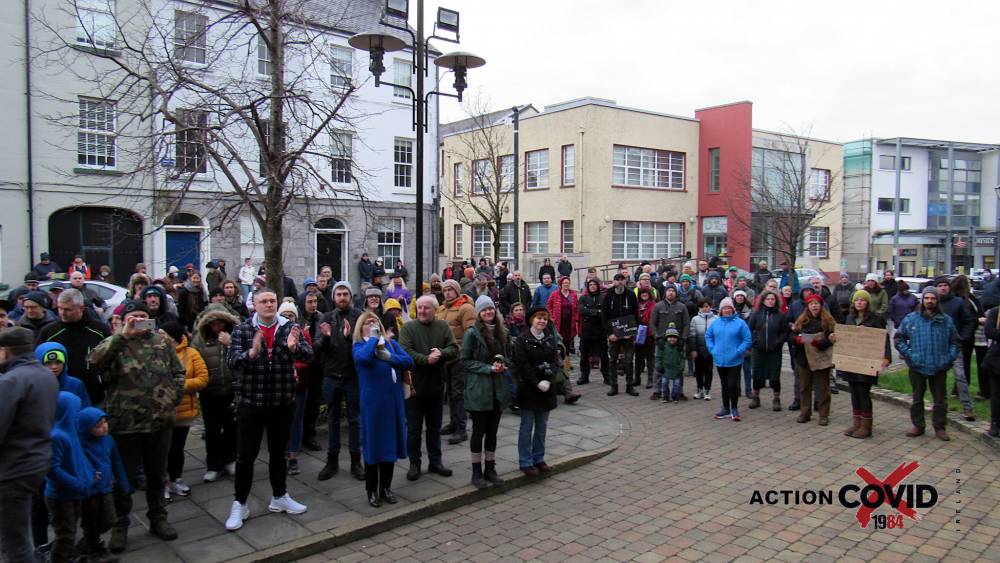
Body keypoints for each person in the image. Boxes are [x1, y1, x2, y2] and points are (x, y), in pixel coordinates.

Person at [88, 301, 185, 551]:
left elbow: (178, 372)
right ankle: (120, 525)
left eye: (143, 316)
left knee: (157, 475)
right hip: (126, 425)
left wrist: (172, 398)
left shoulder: (161, 342)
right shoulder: (115, 343)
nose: (139, 320)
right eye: (133, 316)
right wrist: (122, 336)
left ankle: (158, 518)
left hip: (159, 423)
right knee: (123, 480)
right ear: (123, 319)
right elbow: (94, 362)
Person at [225, 288, 312, 531]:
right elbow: (231, 362)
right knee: (246, 456)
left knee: (278, 453)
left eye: (273, 300)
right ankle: (240, 503)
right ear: (254, 304)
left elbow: (309, 355)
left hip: (281, 402)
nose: (269, 305)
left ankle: (280, 496)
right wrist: (251, 353)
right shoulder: (243, 329)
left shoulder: (289, 327)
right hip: (251, 403)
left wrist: (295, 348)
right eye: (264, 301)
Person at [0, 327, 59, 563]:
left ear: (6, 351)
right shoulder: (45, 374)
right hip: (36, 460)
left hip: (13, 468)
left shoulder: (12, 380)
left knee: (14, 542)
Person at [352, 312, 412, 507]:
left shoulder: (391, 345)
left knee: (389, 447)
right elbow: (363, 359)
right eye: (368, 323)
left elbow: (408, 361)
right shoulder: (360, 346)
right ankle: (371, 491)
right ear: (361, 329)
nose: (372, 325)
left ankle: (386, 488)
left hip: (392, 404)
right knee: (373, 448)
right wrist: (373, 340)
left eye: (375, 322)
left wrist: (388, 356)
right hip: (373, 406)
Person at [399, 295, 458, 481]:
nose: (423, 311)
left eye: (427, 308)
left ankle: (435, 461)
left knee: (434, 427)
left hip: (435, 386)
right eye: (420, 307)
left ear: (435, 310)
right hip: (414, 388)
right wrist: (426, 359)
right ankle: (414, 463)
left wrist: (441, 353)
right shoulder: (409, 328)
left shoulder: (442, 327)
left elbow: (454, 348)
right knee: (414, 429)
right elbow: (405, 350)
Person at [895, 287, 960, 441]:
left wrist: (948, 358)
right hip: (917, 365)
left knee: (940, 400)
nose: (930, 301)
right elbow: (899, 338)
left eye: (933, 298)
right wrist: (909, 354)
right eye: (927, 298)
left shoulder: (946, 320)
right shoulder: (911, 319)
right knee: (917, 398)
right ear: (922, 300)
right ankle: (918, 425)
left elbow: (956, 342)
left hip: (939, 366)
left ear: (937, 301)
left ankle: (940, 427)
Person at [460, 296, 512, 489]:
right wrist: (487, 368)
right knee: (478, 431)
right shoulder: (472, 333)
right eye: (484, 310)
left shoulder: (502, 331)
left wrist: (503, 365)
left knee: (492, 432)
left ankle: (490, 468)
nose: (488, 313)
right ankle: (476, 471)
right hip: (479, 390)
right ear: (479, 314)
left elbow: (508, 357)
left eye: (490, 309)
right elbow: (464, 360)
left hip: (497, 390)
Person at [316, 282, 365, 481]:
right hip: (331, 376)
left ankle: (356, 460)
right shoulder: (326, 318)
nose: (342, 297)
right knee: (333, 420)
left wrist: (348, 338)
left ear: (350, 296)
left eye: (345, 294)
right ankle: (332, 461)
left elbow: (364, 345)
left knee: (354, 420)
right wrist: (326, 338)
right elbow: (316, 348)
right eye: (339, 294)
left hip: (352, 376)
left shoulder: (359, 316)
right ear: (334, 297)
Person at [190, 304, 240, 483]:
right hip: (209, 391)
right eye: (213, 323)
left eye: (220, 322)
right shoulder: (200, 339)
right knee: (212, 429)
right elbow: (194, 361)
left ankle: (230, 459)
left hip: (231, 389)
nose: (217, 326)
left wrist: (230, 343)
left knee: (231, 427)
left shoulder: (235, 335)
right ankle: (213, 464)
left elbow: (243, 356)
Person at [36, 289, 112, 405]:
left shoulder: (99, 330)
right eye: (60, 308)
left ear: (81, 308)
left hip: (93, 394)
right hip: (57, 393)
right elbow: (37, 361)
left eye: (68, 310)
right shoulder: (49, 331)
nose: (62, 313)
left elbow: (110, 360)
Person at [44, 391, 95, 563]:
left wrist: (89, 475)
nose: (78, 414)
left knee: (71, 529)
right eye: (75, 410)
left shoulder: (72, 432)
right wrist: (76, 483)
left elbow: (79, 458)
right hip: (61, 495)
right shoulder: (57, 436)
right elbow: (52, 469)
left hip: (74, 492)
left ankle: (71, 556)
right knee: (64, 534)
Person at [160, 321, 208, 502]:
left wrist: (177, 385)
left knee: (177, 447)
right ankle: (162, 482)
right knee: (162, 448)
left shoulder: (191, 353)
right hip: (162, 411)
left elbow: (202, 379)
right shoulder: (156, 353)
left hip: (184, 411)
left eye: (164, 333)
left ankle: (176, 478)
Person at [77, 407, 129, 561]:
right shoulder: (81, 443)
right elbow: (78, 464)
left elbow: (117, 462)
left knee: (109, 519)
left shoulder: (108, 440)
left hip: (106, 488)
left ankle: (87, 542)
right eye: (98, 425)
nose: (104, 427)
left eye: (105, 422)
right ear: (87, 429)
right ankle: (93, 547)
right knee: (90, 521)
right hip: (89, 492)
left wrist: (123, 483)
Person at [839, 290, 891, 439]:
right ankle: (856, 423)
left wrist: (886, 357)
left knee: (863, 392)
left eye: (862, 300)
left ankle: (866, 426)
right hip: (852, 361)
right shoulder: (850, 318)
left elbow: (884, 338)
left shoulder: (875, 319)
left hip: (867, 362)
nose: (859, 303)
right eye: (857, 300)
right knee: (854, 392)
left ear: (867, 303)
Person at [513, 307, 558, 476]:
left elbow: (555, 361)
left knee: (542, 426)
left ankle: (539, 458)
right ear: (531, 319)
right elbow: (522, 364)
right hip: (529, 389)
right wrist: (537, 382)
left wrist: (548, 379)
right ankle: (525, 461)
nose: (542, 321)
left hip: (546, 388)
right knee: (526, 426)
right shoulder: (522, 339)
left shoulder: (549, 337)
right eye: (539, 318)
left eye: (545, 318)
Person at [437, 279, 476, 444]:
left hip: (459, 357)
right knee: (450, 393)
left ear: (457, 291)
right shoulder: (442, 308)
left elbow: (471, 333)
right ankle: (453, 423)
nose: (447, 293)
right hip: (445, 357)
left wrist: (463, 354)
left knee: (458, 393)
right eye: (444, 290)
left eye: (450, 290)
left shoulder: (466, 307)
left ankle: (461, 428)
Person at [277, 301, 313, 477]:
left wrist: (294, 364)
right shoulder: (276, 333)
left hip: (299, 385)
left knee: (296, 421)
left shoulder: (302, 333)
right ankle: (281, 454)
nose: (288, 318)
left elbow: (308, 356)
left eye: (290, 315)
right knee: (281, 422)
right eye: (284, 315)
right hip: (280, 386)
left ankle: (293, 457)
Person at [934, 276, 977, 421]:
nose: (943, 288)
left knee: (960, 376)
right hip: (937, 346)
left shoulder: (958, 302)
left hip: (954, 346)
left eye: (945, 285)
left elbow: (969, 321)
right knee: (938, 379)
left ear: (949, 287)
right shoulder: (932, 303)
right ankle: (940, 406)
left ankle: (967, 407)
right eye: (940, 285)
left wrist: (962, 337)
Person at [791, 294, 837, 426]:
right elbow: (792, 336)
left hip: (821, 359)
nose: (814, 306)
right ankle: (805, 412)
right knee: (804, 387)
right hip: (803, 359)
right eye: (811, 304)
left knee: (823, 388)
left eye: (816, 303)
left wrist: (820, 343)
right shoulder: (801, 321)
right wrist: (797, 340)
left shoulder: (828, 321)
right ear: (807, 306)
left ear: (821, 305)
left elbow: (831, 340)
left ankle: (823, 415)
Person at [706, 298, 752, 421]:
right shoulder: (715, 323)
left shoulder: (740, 323)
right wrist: (712, 349)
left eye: (729, 308)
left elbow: (747, 339)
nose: (727, 310)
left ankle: (734, 408)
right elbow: (708, 336)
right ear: (721, 311)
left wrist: (739, 351)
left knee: (732, 384)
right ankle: (725, 408)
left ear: (732, 309)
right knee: (724, 385)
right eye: (724, 308)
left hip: (735, 360)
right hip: (720, 359)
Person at [747, 291, 788, 411]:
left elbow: (784, 332)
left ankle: (776, 399)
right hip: (758, 350)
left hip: (774, 351)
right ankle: (756, 397)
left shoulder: (780, 315)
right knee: (757, 375)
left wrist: (778, 343)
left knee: (775, 376)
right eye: (768, 299)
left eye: (772, 299)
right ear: (763, 300)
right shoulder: (756, 314)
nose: (770, 301)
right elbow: (749, 329)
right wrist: (755, 342)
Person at [953, 275, 989, 406]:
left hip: (978, 334)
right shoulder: (960, 300)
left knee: (981, 363)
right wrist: (977, 320)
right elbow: (966, 318)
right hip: (967, 335)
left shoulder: (971, 298)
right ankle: (960, 389)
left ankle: (984, 390)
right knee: (964, 363)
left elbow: (978, 311)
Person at [602, 273, 639, 396]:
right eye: (617, 280)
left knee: (629, 360)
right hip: (614, 333)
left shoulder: (631, 294)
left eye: (622, 280)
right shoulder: (609, 295)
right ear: (614, 281)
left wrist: (632, 331)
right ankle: (614, 386)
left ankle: (630, 386)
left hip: (627, 333)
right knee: (612, 360)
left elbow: (635, 314)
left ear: (625, 281)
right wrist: (609, 333)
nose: (619, 282)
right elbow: (604, 316)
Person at [36, 343, 91, 409]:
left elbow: (86, 409)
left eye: (58, 362)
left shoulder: (76, 384)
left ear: (65, 363)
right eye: (48, 363)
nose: (54, 367)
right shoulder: (35, 386)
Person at [577, 279, 609, 385]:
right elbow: (581, 310)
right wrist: (597, 312)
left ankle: (607, 376)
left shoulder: (604, 298)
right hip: (586, 331)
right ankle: (584, 376)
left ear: (598, 286)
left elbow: (605, 312)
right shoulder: (583, 298)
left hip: (600, 331)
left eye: (594, 284)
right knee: (584, 355)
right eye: (590, 285)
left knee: (604, 355)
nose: (592, 286)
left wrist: (591, 312)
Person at [689, 300, 717, 401]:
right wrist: (693, 349)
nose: (706, 308)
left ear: (710, 307)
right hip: (698, 350)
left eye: (707, 306)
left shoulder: (715, 319)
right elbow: (692, 335)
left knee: (708, 371)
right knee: (699, 371)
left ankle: (707, 390)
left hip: (710, 351)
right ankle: (699, 389)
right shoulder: (695, 319)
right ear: (700, 308)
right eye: (703, 307)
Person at [546, 276, 580, 356]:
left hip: (570, 322)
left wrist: (576, 318)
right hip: (559, 322)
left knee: (568, 341)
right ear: (561, 284)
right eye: (564, 283)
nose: (566, 284)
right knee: (559, 341)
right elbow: (548, 306)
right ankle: (559, 360)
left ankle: (566, 362)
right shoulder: (555, 294)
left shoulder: (573, 294)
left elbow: (577, 307)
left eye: (568, 283)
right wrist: (551, 317)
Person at [633, 287, 657, 391]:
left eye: (646, 293)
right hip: (638, 334)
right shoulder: (636, 305)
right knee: (638, 358)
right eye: (642, 293)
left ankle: (650, 379)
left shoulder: (654, 305)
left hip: (649, 335)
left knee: (650, 358)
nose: (644, 294)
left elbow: (656, 320)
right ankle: (637, 378)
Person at [656, 324, 684, 402]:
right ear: (666, 338)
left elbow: (682, 358)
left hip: (676, 369)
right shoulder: (663, 346)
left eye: (674, 337)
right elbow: (658, 357)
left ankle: (675, 396)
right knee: (664, 383)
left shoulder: (679, 347)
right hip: (666, 369)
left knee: (677, 384)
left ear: (677, 338)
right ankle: (666, 396)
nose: (672, 339)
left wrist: (681, 367)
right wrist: (659, 366)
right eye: (670, 337)